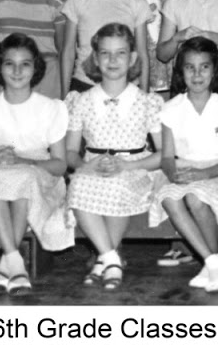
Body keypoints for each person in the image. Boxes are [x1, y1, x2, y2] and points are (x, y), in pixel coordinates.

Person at [66, 23, 165, 291]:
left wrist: (129, 165)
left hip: (135, 168)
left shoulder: (147, 101)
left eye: (120, 53)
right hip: (94, 166)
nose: (112, 60)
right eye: (105, 53)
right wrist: (85, 165)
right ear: (96, 58)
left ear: (132, 58)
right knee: (79, 184)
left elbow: (164, 154)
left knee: (118, 184)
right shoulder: (81, 100)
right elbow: (70, 153)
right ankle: (111, 259)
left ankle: (103, 261)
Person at [0, 34, 71, 296]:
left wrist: (24, 161)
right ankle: (15, 264)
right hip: (0, 172)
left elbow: (60, 165)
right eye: (9, 64)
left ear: (35, 68)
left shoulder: (50, 108)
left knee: (24, 176)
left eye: (25, 64)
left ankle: (7, 265)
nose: (17, 71)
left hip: (41, 175)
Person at [152, 37, 218, 293]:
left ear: (215, 70)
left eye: (204, 67)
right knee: (170, 198)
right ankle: (214, 262)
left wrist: (204, 173)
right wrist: (174, 175)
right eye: (189, 67)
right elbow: (167, 157)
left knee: (195, 198)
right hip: (183, 168)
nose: (197, 74)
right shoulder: (171, 108)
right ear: (180, 72)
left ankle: (212, 263)